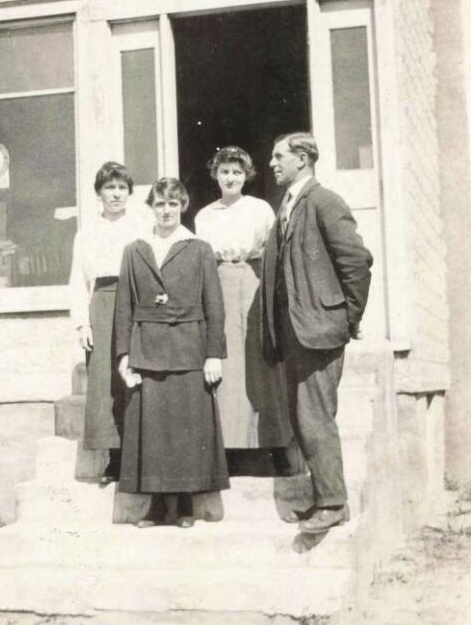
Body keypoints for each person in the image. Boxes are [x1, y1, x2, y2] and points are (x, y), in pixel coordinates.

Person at [260, 132, 373, 533]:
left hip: (319, 330)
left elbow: (357, 263)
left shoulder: (325, 201)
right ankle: (322, 495)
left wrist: (347, 318)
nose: (272, 163)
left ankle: (333, 502)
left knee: (314, 417)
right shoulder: (288, 205)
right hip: (295, 332)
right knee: (302, 415)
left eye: (279, 156)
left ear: (303, 159)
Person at [115, 177, 229, 528]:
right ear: (151, 207)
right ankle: (154, 507)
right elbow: (123, 306)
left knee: (184, 428)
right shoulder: (135, 249)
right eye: (160, 204)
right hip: (147, 348)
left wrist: (213, 354)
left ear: (183, 207)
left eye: (173, 205)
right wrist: (123, 356)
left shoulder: (198, 248)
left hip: (188, 349)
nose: (167, 211)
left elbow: (214, 305)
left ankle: (183, 507)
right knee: (151, 429)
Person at [194, 146, 290, 453]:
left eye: (237, 172)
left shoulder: (260, 209)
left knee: (257, 357)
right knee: (227, 359)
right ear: (216, 175)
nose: (230, 177)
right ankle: (229, 446)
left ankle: (266, 444)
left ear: (246, 175)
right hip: (219, 282)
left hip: (253, 280)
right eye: (224, 172)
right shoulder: (205, 215)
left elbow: (273, 250)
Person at [69, 161, 144, 483]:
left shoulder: (141, 227)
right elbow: (77, 281)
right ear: (99, 193)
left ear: (129, 193)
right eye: (110, 188)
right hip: (101, 301)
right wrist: (82, 323)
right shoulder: (87, 232)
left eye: (122, 188)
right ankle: (113, 458)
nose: (116, 194)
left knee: (135, 372)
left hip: (136, 301)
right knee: (105, 378)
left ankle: (138, 454)